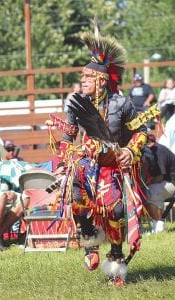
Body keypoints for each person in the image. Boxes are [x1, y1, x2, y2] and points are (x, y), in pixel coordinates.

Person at [46, 30, 148, 286]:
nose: (82, 81)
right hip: (85, 164)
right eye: (82, 77)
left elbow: (141, 131)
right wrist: (65, 160)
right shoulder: (76, 104)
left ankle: (115, 259)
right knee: (74, 192)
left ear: (101, 80)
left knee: (115, 210)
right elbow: (68, 138)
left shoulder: (122, 104)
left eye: (86, 77)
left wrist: (129, 151)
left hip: (112, 165)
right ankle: (89, 240)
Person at [143, 134, 175, 233]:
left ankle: (158, 226)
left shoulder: (158, 151)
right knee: (145, 190)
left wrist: (146, 184)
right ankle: (154, 224)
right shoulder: (153, 150)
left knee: (150, 191)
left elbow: (160, 177)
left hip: (172, 183)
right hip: (167, 182)